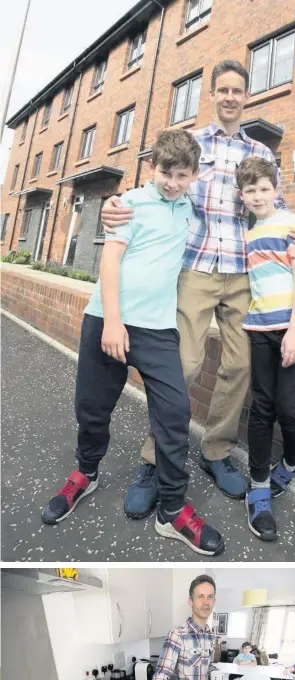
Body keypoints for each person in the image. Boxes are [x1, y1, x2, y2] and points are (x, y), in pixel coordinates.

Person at [101, 59, 295, 516]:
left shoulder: (259, 150)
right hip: (196, 268)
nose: (229, 96)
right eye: (222, 89)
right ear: (213, 95)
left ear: (247, 95)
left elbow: (277, 205)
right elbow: (157, 186)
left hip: (243, 274)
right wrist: (116, 205)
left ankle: (216, 451)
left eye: (237, 90)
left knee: (239, 368)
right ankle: (155, 458)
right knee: (181, 363)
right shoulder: (194, 144)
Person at [41, 130, 224, 557]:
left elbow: (241, 201)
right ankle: (85, 474)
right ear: (151, 168)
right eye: (165, 172)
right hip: (108, 320)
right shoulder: (130, 205)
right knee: (93, 407)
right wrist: (113, 323)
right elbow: (110, 260)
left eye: (182, 175)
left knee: (175, 412)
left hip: (158, 329)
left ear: (193, 175)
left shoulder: (189, 210)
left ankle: (173, 509)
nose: (172, 182)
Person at [236, 156, 295, 542]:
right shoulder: (248, 235)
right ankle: (258, 486)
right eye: (250, 190)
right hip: (260, 330)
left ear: (276, 189)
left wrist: (292, 331)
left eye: (264, 189)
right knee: (261, 409)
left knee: (290, 408)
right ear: (242, 195)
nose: (257, 196)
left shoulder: (294, 224)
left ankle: (291, 459)